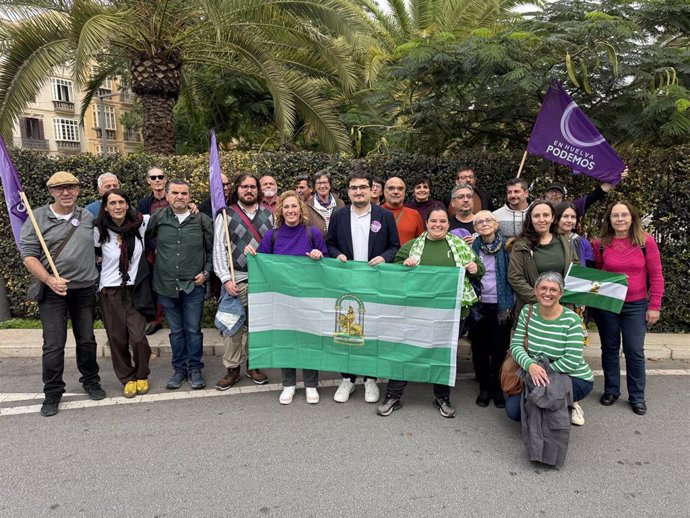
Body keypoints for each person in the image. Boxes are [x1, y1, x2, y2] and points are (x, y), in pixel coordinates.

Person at [377, 208, 484, 418]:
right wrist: (404, 264)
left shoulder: (459, 245)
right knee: (405, 349)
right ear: (427, 223)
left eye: (442, 221)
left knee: (443, 353)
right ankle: (393, 395)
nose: (438, 224)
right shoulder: (414, 245)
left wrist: (473, 268)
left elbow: (479, 268)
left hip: (451, 313)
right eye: (434, 221)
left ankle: (442, 397)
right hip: (417, 310)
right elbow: (395, 266)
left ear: (448, 224)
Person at [20, 171, 105, 417]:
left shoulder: (87, 216)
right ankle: (53, 392)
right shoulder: (37, 218)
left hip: (84, 289)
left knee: (87, 339)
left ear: (78, 190)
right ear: (51, 192)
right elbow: (28, 255)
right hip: (52, 291)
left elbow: (119, 220)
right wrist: (49, 279)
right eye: (59, 188)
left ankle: (91, 380)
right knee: (54, 345)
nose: (65, 192)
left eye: (70, 187)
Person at [245, 191, 328, 404]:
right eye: (286, 207)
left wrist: (320, 256)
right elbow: (261, 261)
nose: (291, 210)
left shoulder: (313, 234)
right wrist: (252, 254)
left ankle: (311, 385)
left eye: (294, 206)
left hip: (308, 298)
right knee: (286, 340)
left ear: (301, 210)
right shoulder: (272, 236)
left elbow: (327, 263)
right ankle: (288, 384)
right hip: (281, 299)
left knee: (309, 339)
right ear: (280, 210)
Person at [327, 171, 400, 404]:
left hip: (375, 282)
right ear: (348, 191)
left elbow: (394, 246)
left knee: (372, 329)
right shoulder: (338, 216)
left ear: (371, 190)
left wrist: (384, 258)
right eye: (354, 187)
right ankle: (347, 379)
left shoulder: (384, 216)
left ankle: (370, 379)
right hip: (347, 282)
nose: (358, 191)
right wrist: (337, 255)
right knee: (347, 330)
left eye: (363, 187)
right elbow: (330, 244)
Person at [591, 201, 664, 416]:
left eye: (624, 215)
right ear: (609, 219)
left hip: (636, 305)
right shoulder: (601, 244)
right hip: (608, 305)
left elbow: (657, 276)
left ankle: (637, 396)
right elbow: (597, 274)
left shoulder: (645, 242)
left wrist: (654, 306)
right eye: (615, 215)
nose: (620, 219)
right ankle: (611, 390)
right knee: (610, 349)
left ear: (632, 218)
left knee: (634, 351)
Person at [145, 180, 214, 391]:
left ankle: (195, 369)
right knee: (176, 331)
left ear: (189, 196)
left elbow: (213, 251)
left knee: (193, 330)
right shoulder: (157, 219)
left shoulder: (202, 220)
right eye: (175, 192)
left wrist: (206, 273)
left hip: (193, 285)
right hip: (165, 285)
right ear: (166, 195)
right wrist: (159, 253)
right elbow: (145, 240)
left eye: (184, 193)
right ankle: (179, 370)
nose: (180, 196)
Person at [505, 272, 593, 427]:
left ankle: (568, 406)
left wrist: (542, 372)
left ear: (561, 293)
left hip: (572, 376)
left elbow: (572, 360)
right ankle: (551, 409)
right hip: (534, 370)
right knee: (514, 412)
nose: (547, 293)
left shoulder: (572, 320)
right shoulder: (527, 311)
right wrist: (530, 366)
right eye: (543, 288)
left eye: (553, 289)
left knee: (544, 402)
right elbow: (516, 345)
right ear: (535, 290)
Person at [213, 174, 274, 390]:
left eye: (252, 187)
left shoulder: (270, 214)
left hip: (262, 282)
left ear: (258, 190)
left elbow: (275, 248)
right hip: (235, 280)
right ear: (237, 190)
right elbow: (219, 249)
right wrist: (225, 279)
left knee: (257, 327)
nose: (249, 190)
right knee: (232, 328)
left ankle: (253, 365)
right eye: (244, 187)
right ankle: (232, 370)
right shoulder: (225, 215)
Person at [94, 189, 153, 398]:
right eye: (112, 203)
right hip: (110, 290)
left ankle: (142, 373)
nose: (117, 206)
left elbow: (169, 211)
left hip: (135, 289)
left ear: (128, 205)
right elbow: (94, 255)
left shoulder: (141, 224)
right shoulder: (98, 229)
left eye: (121, 202)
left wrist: (192, 207)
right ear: (106, 207)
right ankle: (127, 378)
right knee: (117, 338)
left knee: (138, 337)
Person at [468, 210, 514, 408]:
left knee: (499, 349)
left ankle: (497, 388)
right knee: (479, 348)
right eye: (479, 222)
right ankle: (484, 387)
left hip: (502, 306)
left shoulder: (508, 246)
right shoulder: (471, 248)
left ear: (496, 224)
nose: (484, 223)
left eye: (488, 220)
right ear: (475, 228)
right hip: (478, 305)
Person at [508, 200, 579, 319]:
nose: (541, 219)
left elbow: (576, 270)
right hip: (532, 311)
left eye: (546, 215)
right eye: (536, 216)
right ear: (530, 219)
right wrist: (544, 299)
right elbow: (515, 278)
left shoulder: (566, 242)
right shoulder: (521, 245)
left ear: (553, 218)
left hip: (562, 310)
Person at [137, 167, 169, 336]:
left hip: (173, 250)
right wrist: (154, 248)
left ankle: (172, 317)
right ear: (148, 181)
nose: (157, 180)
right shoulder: (143, 204)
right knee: (155, 285)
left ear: (165, 179)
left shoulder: (174, 199)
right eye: (153, 177)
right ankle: (156, 319)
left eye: (160, 176)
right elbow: (141, 229)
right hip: (153, 251)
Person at [544, 167, 628, 220]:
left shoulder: (571, 207)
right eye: (551, 191)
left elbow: (595, 195)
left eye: (558, 192)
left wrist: (616, 177)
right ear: (545, 194)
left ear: (563, 196)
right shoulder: (536, 209)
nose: (554, 194)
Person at [381, 176, 424, 245]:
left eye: (400, 189)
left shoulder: (414, 214)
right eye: (391, 188)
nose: (396, 192)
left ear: (404, 192)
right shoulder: (374, 213)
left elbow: (421, 243)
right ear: (384, 191)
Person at [555, 202, 594, 267]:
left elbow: (590, 270)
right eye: (565, 216)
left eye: (573, 217)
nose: (569, 220)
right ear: (556, 218)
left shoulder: (584, 243)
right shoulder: (547, 239)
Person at [306, 170, 345, 236]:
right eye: (318, 183)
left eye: (325, 182)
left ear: (330, 185)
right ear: (314, 186)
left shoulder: (340, 204)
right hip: (317, 245)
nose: (322, 186)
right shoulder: (307, 207)